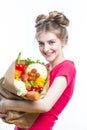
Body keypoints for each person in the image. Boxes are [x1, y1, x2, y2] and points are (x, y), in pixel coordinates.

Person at [0, 10, 76, 130]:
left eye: (51, 42)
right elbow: (29, 102)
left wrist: (6, 104)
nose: (46, 49)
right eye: (41, 43)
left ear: (63, 41)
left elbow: (44, 106)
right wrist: (10, 113)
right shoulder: (43, 70)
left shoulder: (66, 67)